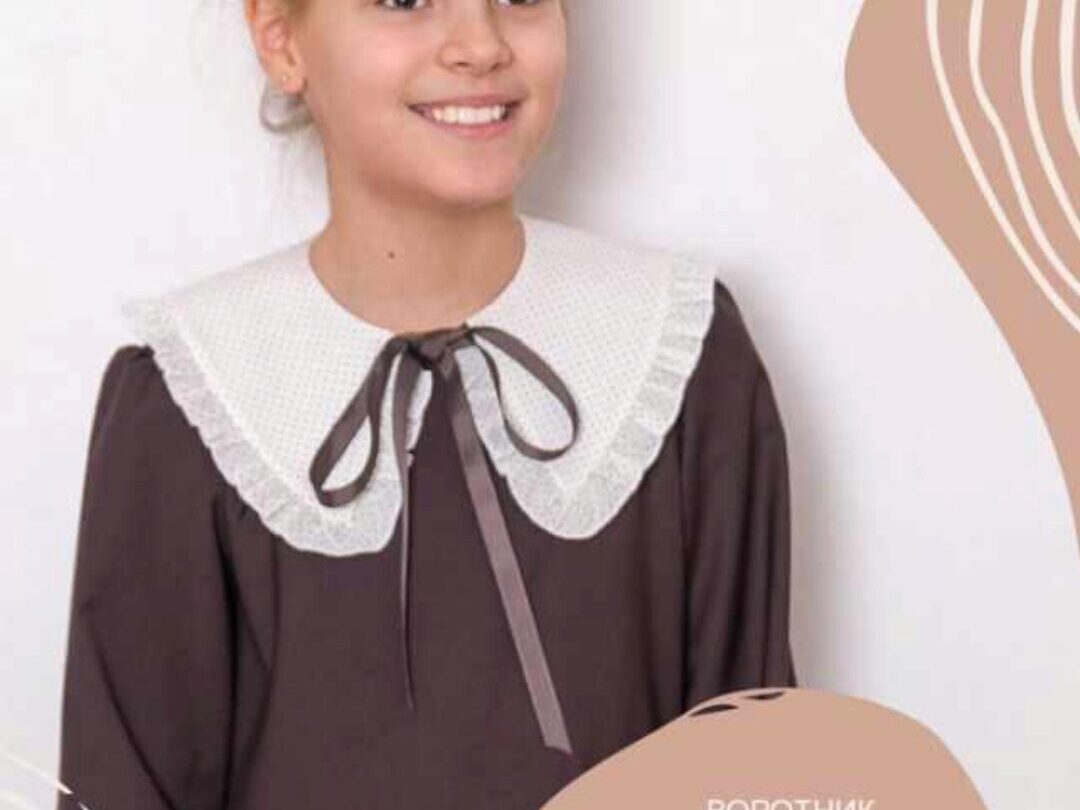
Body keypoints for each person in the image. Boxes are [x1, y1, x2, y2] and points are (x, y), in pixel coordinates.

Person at [54, 1, 797, 808]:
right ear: (281, 39)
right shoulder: (191, 392)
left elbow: (753, 773)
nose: (480, 44)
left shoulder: (677, 350)